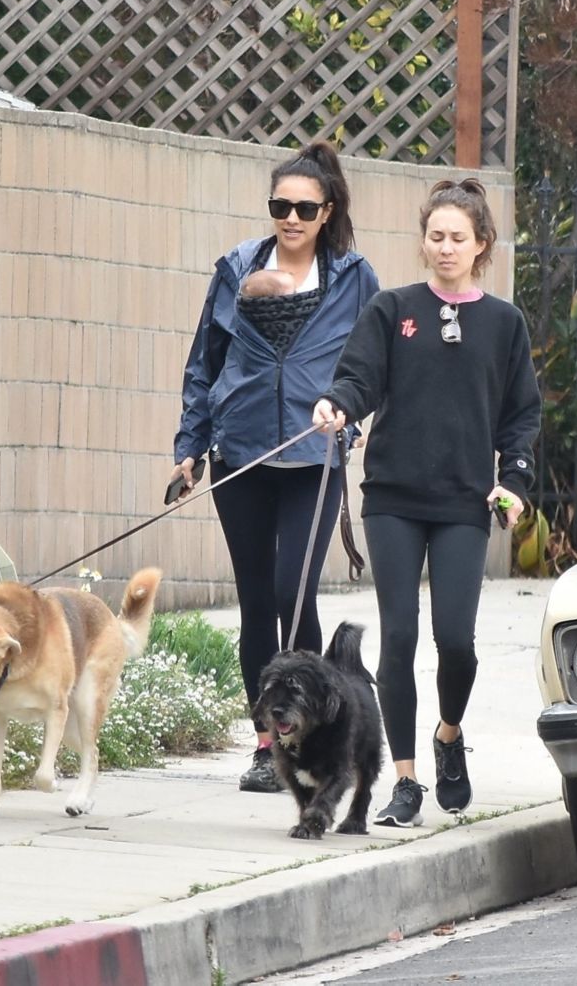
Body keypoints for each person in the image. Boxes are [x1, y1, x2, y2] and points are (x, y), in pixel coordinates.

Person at [313, 178, 541, 827]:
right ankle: (406, 779)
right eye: (435, 236)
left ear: (481, 245)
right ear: (424, 242)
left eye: (458, 238)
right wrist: (339, 405)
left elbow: (521, 415)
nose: (445, 247)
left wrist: (515, 483)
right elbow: (359, 377)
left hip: (465, 501)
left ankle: (448, 736)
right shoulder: (392, 309)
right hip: (392, 498)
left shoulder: (505, 324)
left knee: (456, 643)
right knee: (401, 635)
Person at [170, 141, 379, 793]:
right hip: (243, 449)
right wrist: (189, 447)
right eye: (279, 206)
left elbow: (371, 364)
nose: (290, 217)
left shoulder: (352, 276)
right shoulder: (237, 269)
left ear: (327, 210)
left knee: (295, 592)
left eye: (303, 208)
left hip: (314, 454)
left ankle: (315, 732)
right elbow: (205, 362)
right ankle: (268, 748)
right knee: (258, 601)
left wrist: (348, 410)